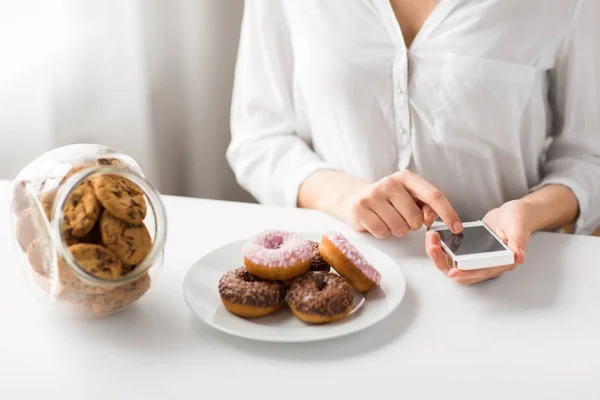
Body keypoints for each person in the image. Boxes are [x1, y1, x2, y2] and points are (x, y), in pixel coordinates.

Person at [226, 0, 600, 284]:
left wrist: (530, 213)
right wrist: (345, 196)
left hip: (511, 285)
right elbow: (259, 137)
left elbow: (589, 157)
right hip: (341, 287)